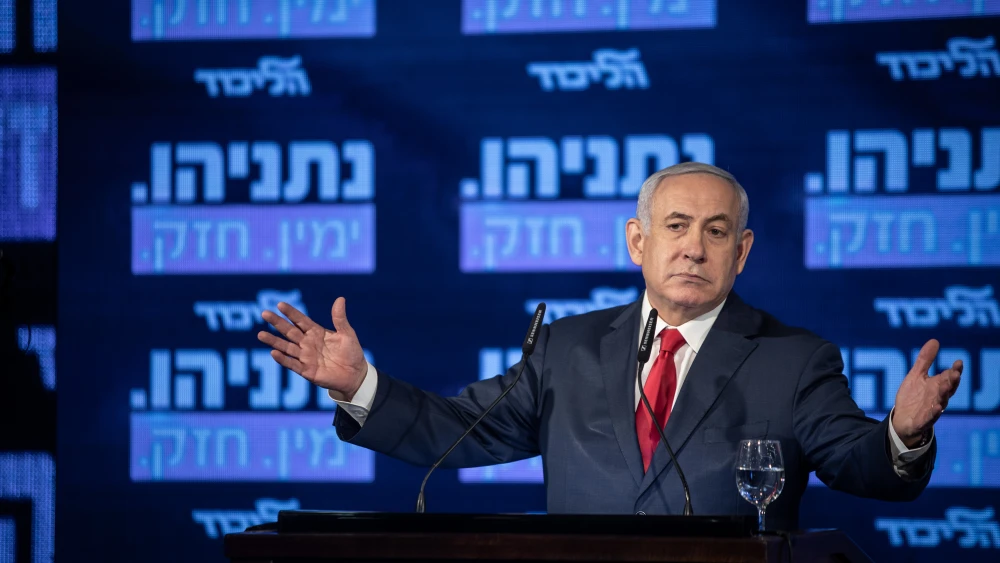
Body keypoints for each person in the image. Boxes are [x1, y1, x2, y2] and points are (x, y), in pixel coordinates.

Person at [257, 162, 961, 529]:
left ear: (742, 252)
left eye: (716, 231)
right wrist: (360, 385)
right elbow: (460, 432)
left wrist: (900, 433)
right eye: (677, 225)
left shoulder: (794, 357)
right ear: (638, 240)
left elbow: (858, 464)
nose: (693, 246)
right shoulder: (568, 345)